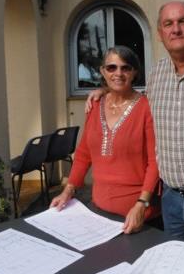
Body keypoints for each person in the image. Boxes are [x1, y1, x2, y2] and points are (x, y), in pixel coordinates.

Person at [87, 1, 184, 249]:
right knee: (175, 269)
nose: (175, 29)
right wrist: (104, 90)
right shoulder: (157, 74)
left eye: (183, 22)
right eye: (168, 24)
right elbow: (132, 95)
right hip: (171, 201)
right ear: (160, 33)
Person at [50, 45, 160, 234]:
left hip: (138, 216)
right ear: (102, 71)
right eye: (111, 67)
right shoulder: (94, 105)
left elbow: (155, 161)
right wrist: (68, 190)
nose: (118, 73)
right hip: (98, 212)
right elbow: (84, 154)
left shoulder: (146, 108)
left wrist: (142, 204)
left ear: (134, 72)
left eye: (125, 68)